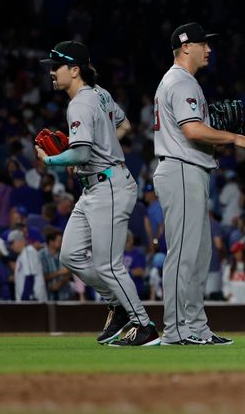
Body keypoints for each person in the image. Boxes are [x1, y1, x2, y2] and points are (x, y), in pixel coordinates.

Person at [36, 40, 158, 346]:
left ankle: (144, 326)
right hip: (95, 186)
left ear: (74, 70)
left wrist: (49, 160)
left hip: (109, 185)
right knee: (71, 254)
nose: (51, 72)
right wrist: (102, 145)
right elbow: (125, 126)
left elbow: (79, 155)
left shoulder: (79, 102)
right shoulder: (100, 93)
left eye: (57, 67)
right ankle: (117, 305)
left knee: (108, 265)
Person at [154, 22, 245, 345]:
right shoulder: (180, 81)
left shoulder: (183, 82)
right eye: (202, 44)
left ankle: (196, 327)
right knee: (183, 254)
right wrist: (233, 137)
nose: (208, 49)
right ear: (186, 47)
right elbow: (192, 131)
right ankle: (174, 329)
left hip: (190, 171)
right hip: (181, 170)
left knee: (198, 256)